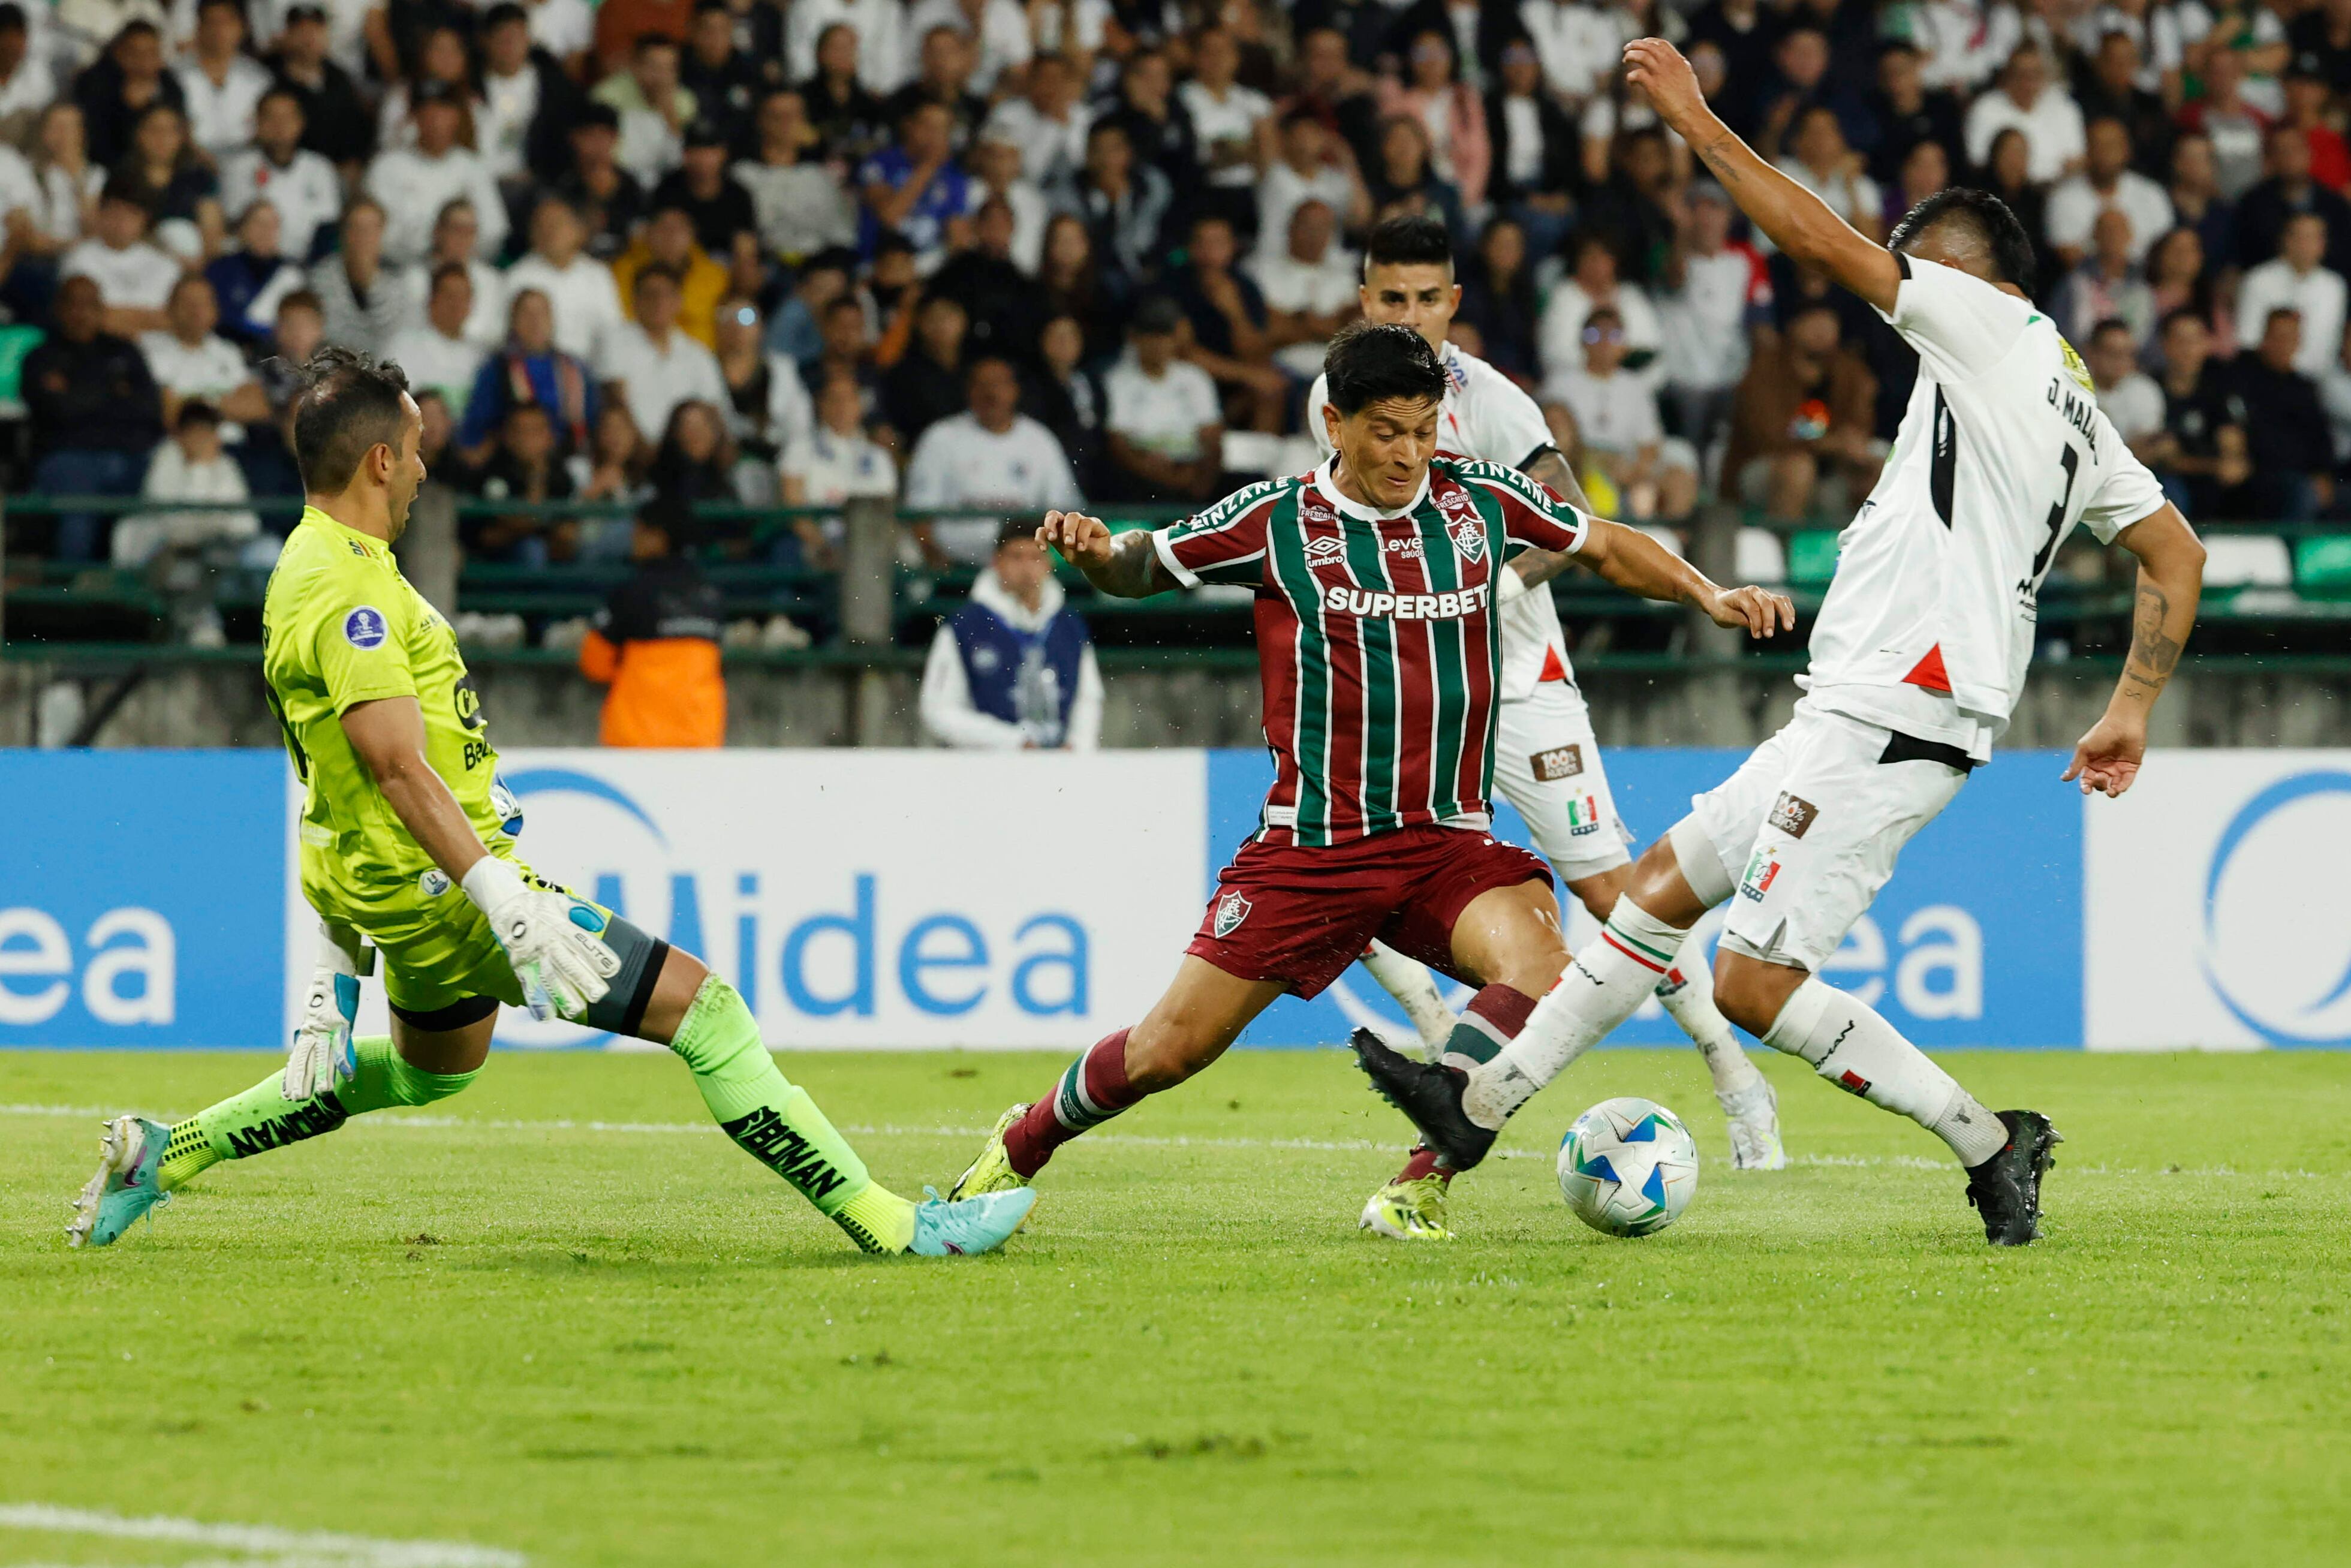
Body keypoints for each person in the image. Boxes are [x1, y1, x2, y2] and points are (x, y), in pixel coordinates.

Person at [1349, 38, 2209, 1250]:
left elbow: (1816, 238)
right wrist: (2128, 708)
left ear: (1966, 272)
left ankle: (1990, 1139)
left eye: (1913, 261)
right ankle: (1474, 1106)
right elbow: (2178, 556)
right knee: (1653, 895)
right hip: (1860, 703)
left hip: (1901, 708)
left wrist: (1697, 125)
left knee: (1751, 981)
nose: (1896, 278)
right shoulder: (2075, 405)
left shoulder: (1986, 321)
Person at [68, 346, 1034, 1260]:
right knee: (709, 1015)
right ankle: (894, 1225)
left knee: (432, 1068)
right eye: (415, 451)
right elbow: (394, 766)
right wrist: (504, 898)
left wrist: (340, 957)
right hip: (447, 890)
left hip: (399, 888)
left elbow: (335, 776)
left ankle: (165, 1152)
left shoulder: (307, 561)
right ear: (378, 460)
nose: (423, 472)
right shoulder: (347, 588)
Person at [942, 321, 1790, 1220]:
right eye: (1387, 432)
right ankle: (1021, 1140)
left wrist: (1708, 592)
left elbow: (1605, 543)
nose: (1409, 454)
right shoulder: (1275, 520)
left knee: (1544, 968)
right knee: (1166, 1050)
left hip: (1444, 843)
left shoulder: (1477, 502)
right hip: (1315, 848)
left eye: (1423, 431)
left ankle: (1418, 1186)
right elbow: (1142, 564)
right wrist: (1096, 553)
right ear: (1335, 423)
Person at [1296, 217, 1781, 1230]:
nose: (1411, 317)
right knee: (1339, 859)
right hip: (1417, 693)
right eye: (1392, 299)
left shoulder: (1493, 402)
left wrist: (1480, 589)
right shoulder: (1335, 399)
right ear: (1364, 300)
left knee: (1615, 896)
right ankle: (1440, 1031)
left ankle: (1731, 1069)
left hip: (1519, 686)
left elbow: (1567, 520)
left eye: (1427, 299)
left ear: (1454, 302)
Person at [920, 520, 1104, 750]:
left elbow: (1088, 698)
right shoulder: (964, 627)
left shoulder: (1069, 626)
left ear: (1049, 564)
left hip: (1059, 762)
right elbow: (939, 710)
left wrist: (1077, 746)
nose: (1026, 568)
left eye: (1035, 557)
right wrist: (1011, 741)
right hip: (986, 762)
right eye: (1016, 557)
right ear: (997, 562)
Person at [23, 274, 165, 561]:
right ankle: (73, 585)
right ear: (59, 309)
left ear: (101, 309)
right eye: (73, 304)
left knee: (166, 496)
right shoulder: (41, 356)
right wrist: (114, 392)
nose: (82, 313)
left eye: (90, 305)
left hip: (131, 456)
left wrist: (77, 392)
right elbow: (57, 411)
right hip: (68, 458)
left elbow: (149, 407)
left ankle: (140, 586)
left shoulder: (124, 350)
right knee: (79, 509)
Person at [901, 354, 1083, 566]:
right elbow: (920, 514)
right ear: (969, 391)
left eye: (999, 384)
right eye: (982, 384)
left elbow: (1065, 509)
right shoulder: (940, 437)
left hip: (1024, 568)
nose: (991, 393)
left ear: (1015, 390)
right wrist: (938, 566)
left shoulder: (1040, 439)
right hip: (955, 568)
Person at [579, 496, 727, 746]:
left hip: (638, 741)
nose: (633, 539)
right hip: (700, 740)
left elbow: (594, 663)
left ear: (659, 537)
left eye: (639, 531)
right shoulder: (711, 595)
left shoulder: (632, 592)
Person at [1103, 294, 1223, 503]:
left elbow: (1212, 436)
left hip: (1191, 471)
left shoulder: (1195, 377)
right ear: (1135, 338)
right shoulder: (1117, 380)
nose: (1158, 344)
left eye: (1164, 335)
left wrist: (1200, 481)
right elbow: (1118, 444)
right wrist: (1164, 477)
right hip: (1141, 476)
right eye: (1150, 335)